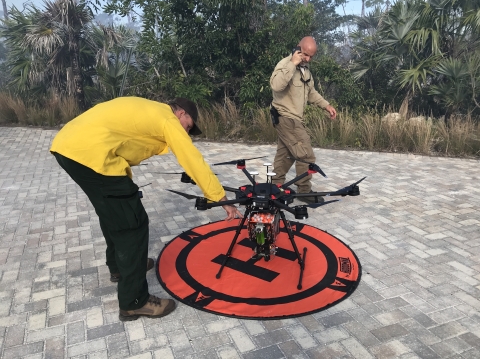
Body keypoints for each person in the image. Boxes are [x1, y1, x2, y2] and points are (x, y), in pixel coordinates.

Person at [50, 96, 243, 321]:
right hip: (91, 156)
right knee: (132, 223)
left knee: (112, 211)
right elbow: (191, 158)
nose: (186, 132)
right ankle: (134, 301)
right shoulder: (167, 119)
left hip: (70, 148)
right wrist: (220, 198)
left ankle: (120, 267)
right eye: (188, 126)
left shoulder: (152, 109)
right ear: (181, 114)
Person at [270, 36, 337, 204]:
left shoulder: (305, 70)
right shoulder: (285, 64)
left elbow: (311, 92)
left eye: (311, 57)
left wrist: (326, 105)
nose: (307, 59)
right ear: (297, 48)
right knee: (305, 153)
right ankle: (304, 191)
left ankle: (275, 187)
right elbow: (276, 85)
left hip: (294, 119)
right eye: (305, 54)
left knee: (286, 154)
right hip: (285, 117)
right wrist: (292, 63)